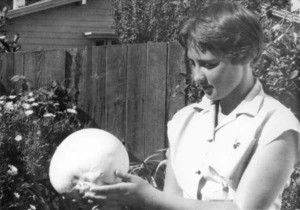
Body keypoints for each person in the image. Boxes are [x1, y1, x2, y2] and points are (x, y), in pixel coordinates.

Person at [83, 1, 300, 210]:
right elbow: (170, 203)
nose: (197, 77)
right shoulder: (184, 121)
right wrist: (124, 199)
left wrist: (147, 196)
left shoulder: (276, 126)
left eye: (209, 64)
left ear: (247, 55)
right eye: (193, 63)